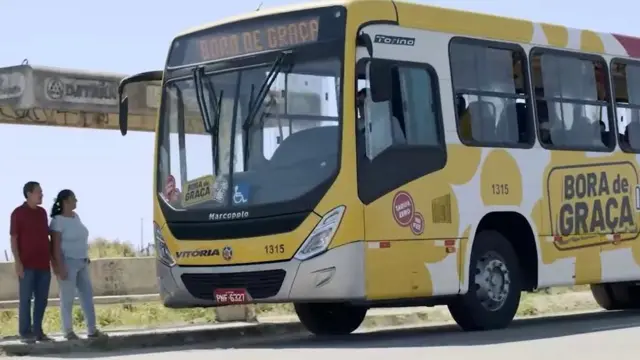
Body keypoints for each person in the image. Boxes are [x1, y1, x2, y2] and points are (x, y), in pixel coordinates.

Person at [49, 189, 107, 340]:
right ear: (66, 201)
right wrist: (59, 266)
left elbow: (81, 238)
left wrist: (85, 255)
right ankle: (68, 331)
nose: (76, 201)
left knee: (87, 296)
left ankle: (92, 329)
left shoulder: (76, 217)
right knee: (67, 298)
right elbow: (54, 246)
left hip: (82, 261)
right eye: (74, 199)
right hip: (67, 262)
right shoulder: (57, 220)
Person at [10, 181, 53, 343]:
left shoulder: (42, 213)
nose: (41, 195)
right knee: (26, 298)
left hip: (43, 264)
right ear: (29, 193)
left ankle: (38, 331)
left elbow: (47, 238)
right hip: (26, 264)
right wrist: (17, 262)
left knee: (42, 299)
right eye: (38, 192)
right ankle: (25, 332)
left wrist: (53, 259)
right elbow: (14, 238)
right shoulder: (18, 213)